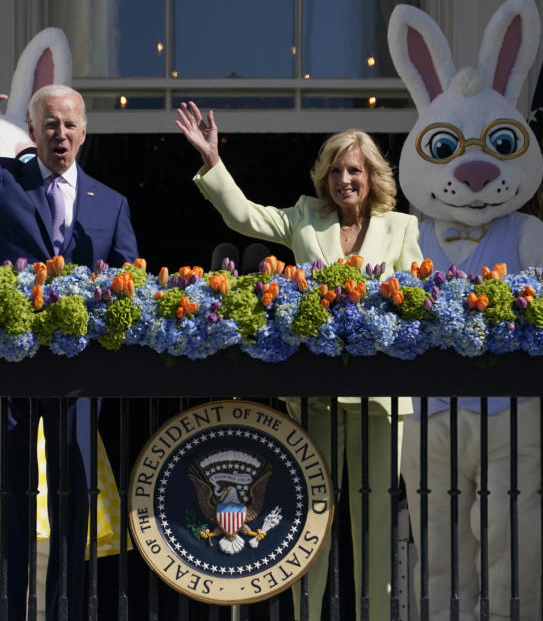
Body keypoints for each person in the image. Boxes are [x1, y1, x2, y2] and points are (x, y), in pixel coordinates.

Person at [176, 102, 423, 620]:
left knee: (377, 523)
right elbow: (243, 216)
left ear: (372, 175)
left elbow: (414, 300)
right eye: (335, 171)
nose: (344, 180)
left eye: (354, 170)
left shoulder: (401, 228)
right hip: (314, 396)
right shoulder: (306, 218)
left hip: (378, 400)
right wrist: (212, 160)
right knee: (308, 522)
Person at [0, 60, 138, 620]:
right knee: (10, 499)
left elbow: (131, 287)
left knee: (72, 502)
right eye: (49, 124)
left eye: (70, 125)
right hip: (11, 368)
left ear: (85, 131)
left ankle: (65, 612)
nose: (61, 134)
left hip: (76, 379)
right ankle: (15, 613)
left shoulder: (111, 202)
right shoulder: (0, 181)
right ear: (32, 129)